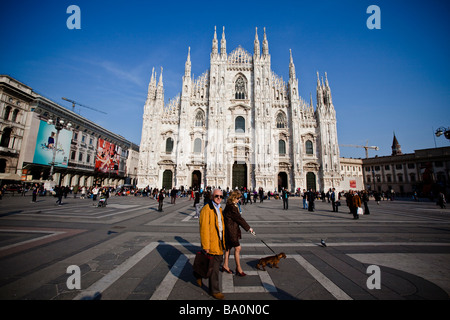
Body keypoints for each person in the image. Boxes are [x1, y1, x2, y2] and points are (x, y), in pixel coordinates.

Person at [196, 188, 227, 300]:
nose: (219, 198)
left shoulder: (219, 209)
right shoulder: (206, 209)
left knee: (214, 264)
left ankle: (198, 274)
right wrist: (206, 246)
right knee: (214, 268)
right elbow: (204, 229)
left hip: (218, 242)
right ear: (212, 197)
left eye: (220, 196)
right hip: (211, 243)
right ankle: (214, 290)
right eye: (216, 196)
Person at [222, 191, 254, 277]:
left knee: (228, 248)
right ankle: (238, 268)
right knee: (238, 248)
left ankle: (225, 265)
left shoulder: (229, 205)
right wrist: (248, 228)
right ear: (234, 198)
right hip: (231, 231)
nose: (239, 199)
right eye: (238, 198)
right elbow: (239, 219)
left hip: (228, 230)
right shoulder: (232, 207)